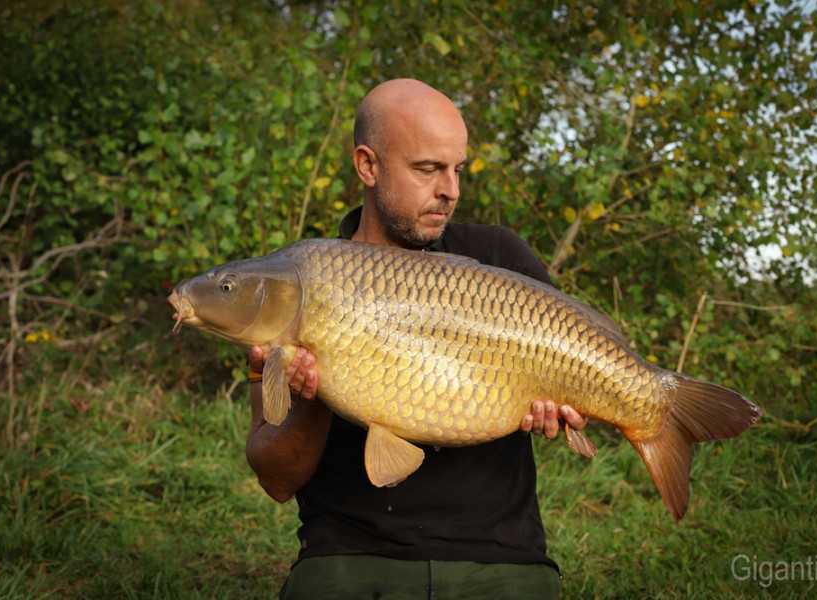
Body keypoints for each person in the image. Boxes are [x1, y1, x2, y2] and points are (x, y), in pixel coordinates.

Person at [245, 78, 586, 599]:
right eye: (427, 169)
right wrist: (312, 396)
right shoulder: (296, 285)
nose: (449, 189)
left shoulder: (499, 258)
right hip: (349, 555)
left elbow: (574, 373)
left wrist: (565, 406)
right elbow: (277, 479)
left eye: (457, 169)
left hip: (499, 557)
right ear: (368, 165)